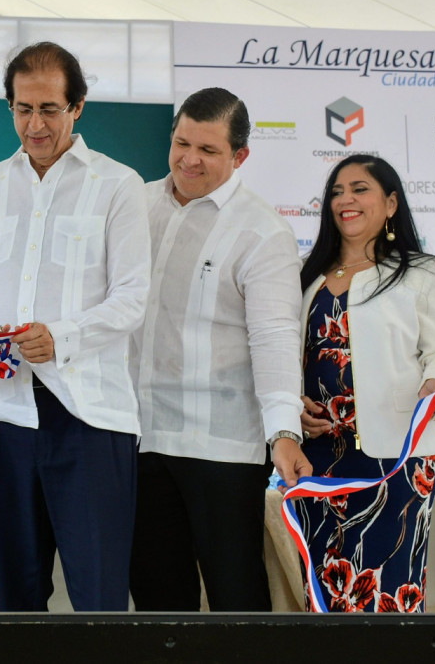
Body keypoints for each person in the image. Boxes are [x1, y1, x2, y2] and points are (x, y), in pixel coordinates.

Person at [0, 41, 151, 612]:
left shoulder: (118, 184)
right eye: (22, 109)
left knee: (99, 597)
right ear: (9, 106)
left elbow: (132, 298)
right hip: (4, 414)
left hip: (90, 417)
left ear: (77, 107)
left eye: (50, 110)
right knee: (15, 596)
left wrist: (63, 337)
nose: (35, 125)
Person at [128, 87, 310, 612]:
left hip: (223, 448)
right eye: (182, 143)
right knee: (158, 598)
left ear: (240, 157)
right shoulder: (135, 205)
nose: (190, 159)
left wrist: (283, 431)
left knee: (236, 599)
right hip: (140, 438)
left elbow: (275, 336)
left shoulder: (263, 231)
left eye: (208, 150)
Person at [295, 155, 435, 613]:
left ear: (391, 203)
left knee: (385, 593)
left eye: (359, 188)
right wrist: (293, 405)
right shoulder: (305, 276)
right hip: (317, 460)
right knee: (322, 592)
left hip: (397, 458)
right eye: (336, 191)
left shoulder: (423, 272)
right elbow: (284, 357)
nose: (345, 200)